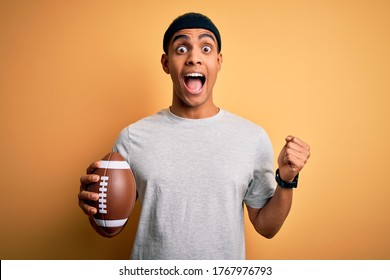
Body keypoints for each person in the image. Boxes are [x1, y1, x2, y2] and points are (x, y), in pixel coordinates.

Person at [78, 12, 310, 260]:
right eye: (181, 49)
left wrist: (286, 180)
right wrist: (96, 208)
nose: (194, 58)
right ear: (166, 63)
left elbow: (267, 227)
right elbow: (110, 229)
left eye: (206, 48)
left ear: (218, 62)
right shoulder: (133, 138)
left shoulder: (251, 138)